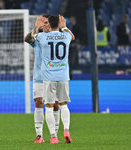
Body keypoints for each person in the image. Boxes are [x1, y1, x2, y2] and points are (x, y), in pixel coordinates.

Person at [35, 15, 75, 144]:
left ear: (48, 24)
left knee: (50, 107)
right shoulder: (66, 36)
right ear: (59, 23)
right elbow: (72, 37)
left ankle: (53, 136)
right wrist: (64, 28)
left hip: (49, 77)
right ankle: (67, 130)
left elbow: (32, 37)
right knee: (64, 105)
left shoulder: (42, 37)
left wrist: (38, 27)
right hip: (63, 76)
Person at [24, 15, 60, 143]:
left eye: (47, 23)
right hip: (39, 77)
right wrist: (35, 27)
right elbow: (27, 39)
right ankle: (39, 135)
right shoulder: (38, 38)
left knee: (55, 105)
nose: (45, 25)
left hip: (54, 77)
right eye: (44, 23)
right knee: (39, 103)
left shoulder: (57, 37)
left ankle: (54, 134)